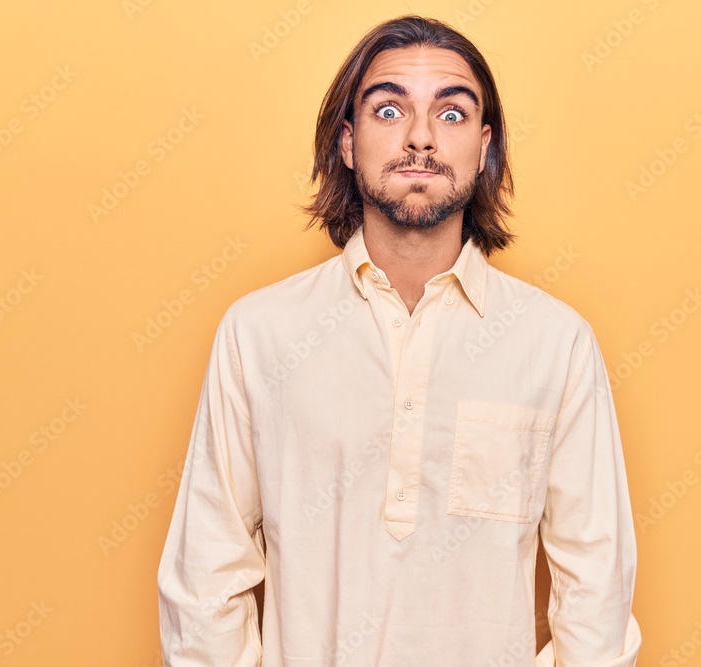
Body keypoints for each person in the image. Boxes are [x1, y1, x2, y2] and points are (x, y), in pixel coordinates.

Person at [157, 14, 641, 666]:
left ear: (484, 145)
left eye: (451, 114)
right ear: (349, 142)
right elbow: (203, 579)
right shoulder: (260, 335)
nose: (420, 137)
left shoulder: (556, 345)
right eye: (390, 110)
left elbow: (596, 594)